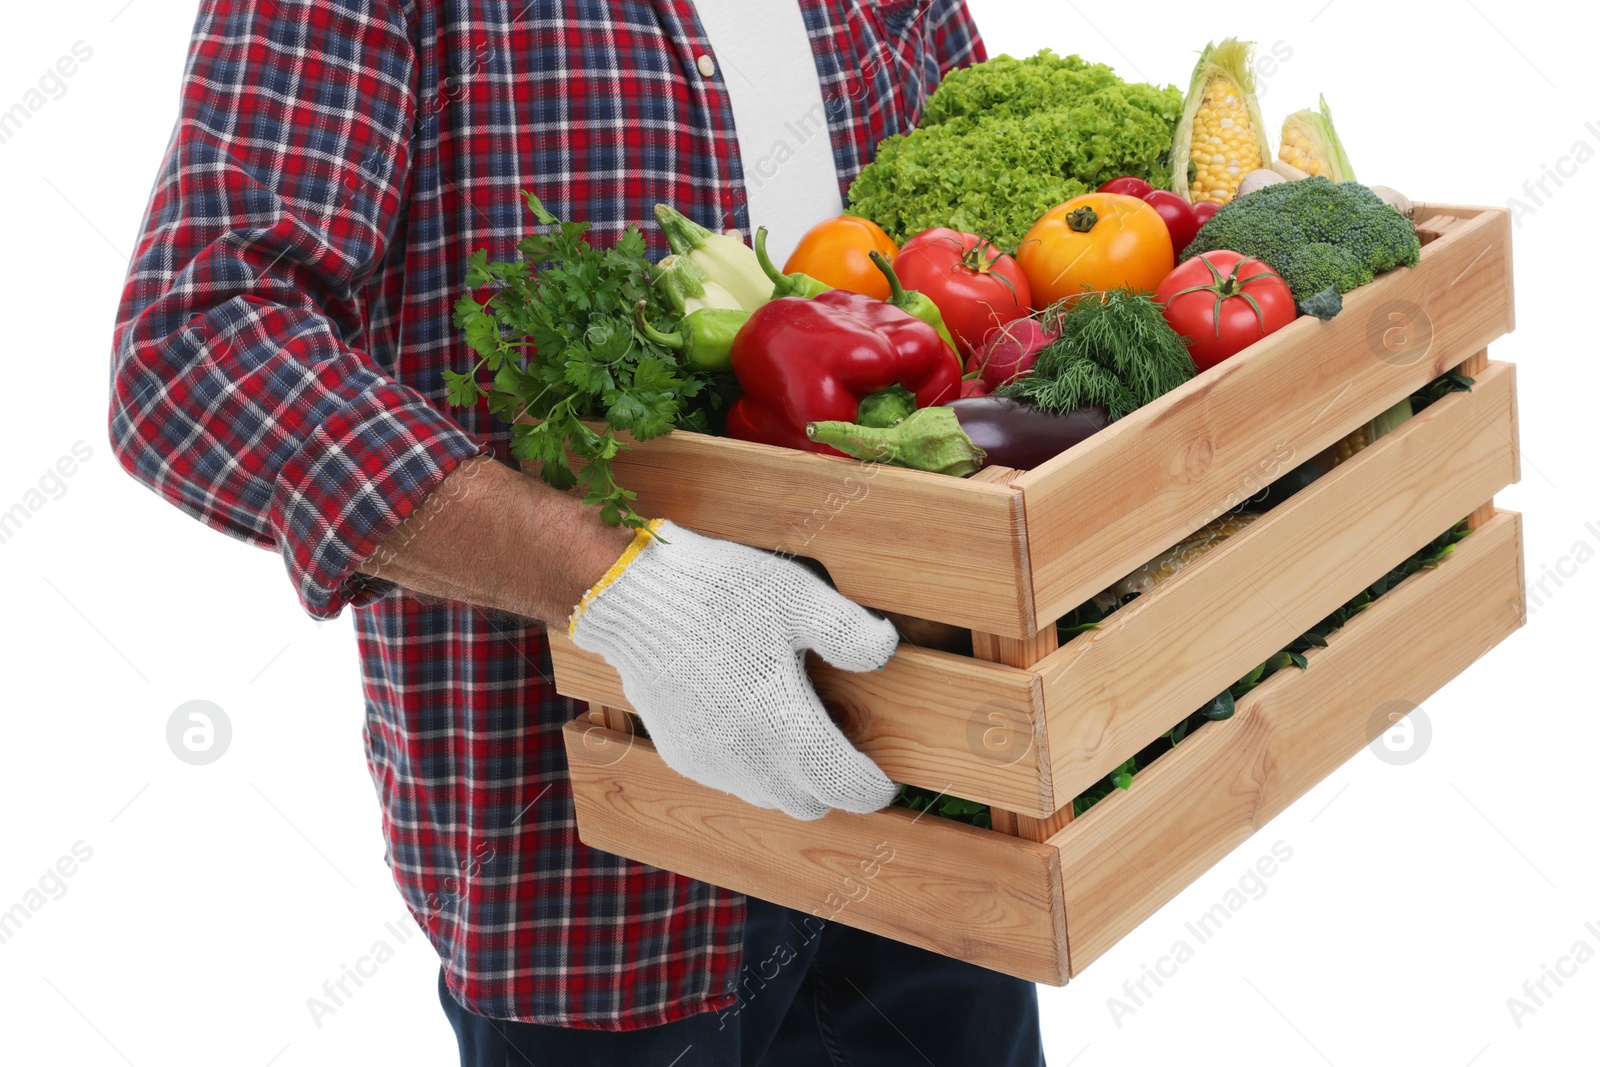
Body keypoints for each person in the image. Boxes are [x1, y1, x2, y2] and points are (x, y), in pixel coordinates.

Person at [109, 1, 1046, 1062]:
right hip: (592, 893)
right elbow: (194, 342)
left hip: (932, 808)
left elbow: (992, 231)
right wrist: (623, 589)